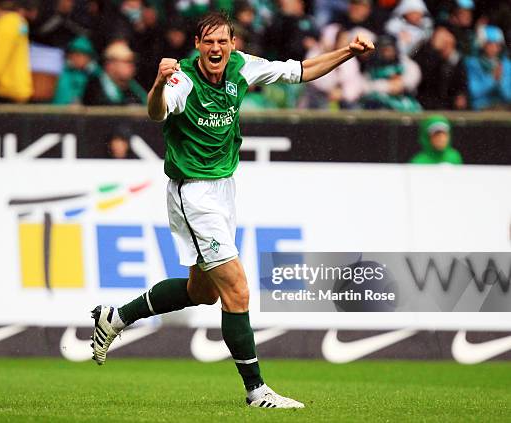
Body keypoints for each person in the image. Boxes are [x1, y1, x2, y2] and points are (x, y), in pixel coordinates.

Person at [89, 12, 374, 409]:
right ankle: (257, 391)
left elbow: (302, 71)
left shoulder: (244, 68)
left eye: (223, 42)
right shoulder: (181, 79)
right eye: (209, 42)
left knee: (201, 292)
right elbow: (157, 113)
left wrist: (347, 52)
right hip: (193, 193)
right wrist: (156, 84)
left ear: (233, 45)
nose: (216, 49)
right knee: (237, 289)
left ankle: (115, 317)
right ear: (197, 45)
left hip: (224, 191)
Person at [83, 40, 147, 105]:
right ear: (110, 65)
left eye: (132, 62)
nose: (131, 66)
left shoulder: (134, 88)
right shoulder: (94, 88)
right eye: (126, 61)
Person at [465, 25, 511, 110]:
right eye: (490, 44)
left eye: (497, 45)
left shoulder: (507, 65)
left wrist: (500, 81)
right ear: (481, 44)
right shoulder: (472, 63)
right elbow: (474, 93)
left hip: (502, 109)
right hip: (480, 109)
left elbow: (508, 96)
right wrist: (492, 79)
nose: (494, 48)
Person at [52, 36, 100, 104]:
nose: (79, 58)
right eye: (76, 54)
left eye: (84, 55)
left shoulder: (97, 76)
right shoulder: (59, 73)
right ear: (69, 55)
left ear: (90, 57)